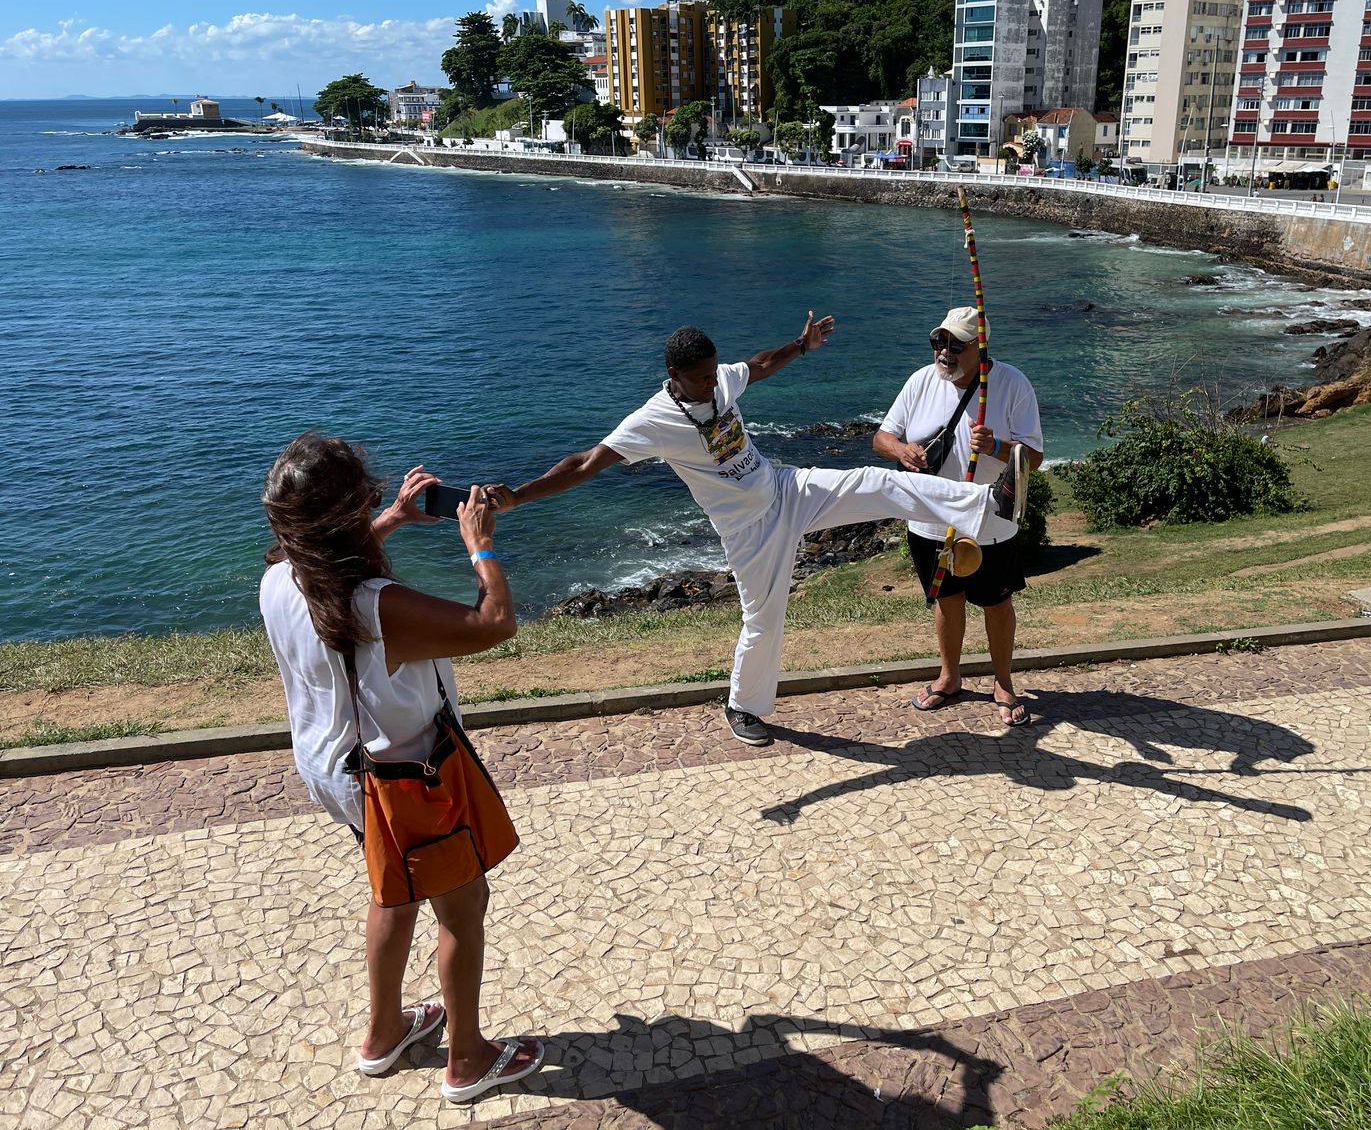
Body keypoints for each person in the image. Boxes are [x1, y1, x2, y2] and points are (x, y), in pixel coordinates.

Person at [487, 312, 1022, 747]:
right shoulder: (652, 420)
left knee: (878, 483)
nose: (711, 384)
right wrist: (518, 496)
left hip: (786, 488)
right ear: (672, 376)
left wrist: (802, 344)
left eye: (713, 373)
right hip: (749, 532)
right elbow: (583, 463)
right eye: (699, 379)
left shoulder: (719, 379)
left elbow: (760, 366)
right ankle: (743, 707)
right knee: (764, 621)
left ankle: (985, 501)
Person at [259, 432, 545, 1104]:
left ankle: (384, 1033)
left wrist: (386, 522)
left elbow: (335, 573)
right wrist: (479, 542)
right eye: (370, 499)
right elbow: (494, 621)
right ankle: (469, 1060)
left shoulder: (279, 577)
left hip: (339, 774)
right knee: (462, 906)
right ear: (349, 513)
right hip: (405, 778)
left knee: (394, 887)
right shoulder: (376, 608)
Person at [875, 307, 1044, 726]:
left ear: (980, 348)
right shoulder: (921, 381)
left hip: (989, 520)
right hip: (931, 518)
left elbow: (1035, 458)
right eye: (939, 343)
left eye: (955, 345)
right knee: (947, 599)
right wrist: (902, 451)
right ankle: (949, 677)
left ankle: (1003, 683)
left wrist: (999, 448)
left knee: (995, 601)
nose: (944, 353)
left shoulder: (1011, 384)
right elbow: (882, 437)